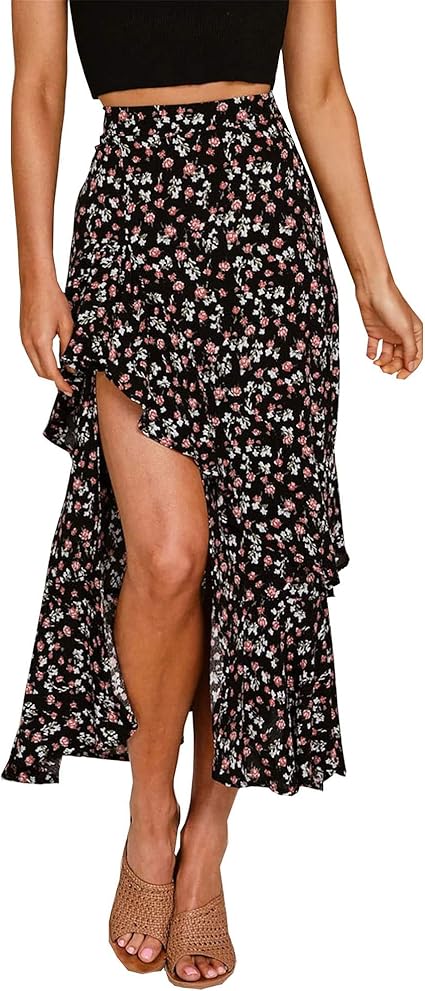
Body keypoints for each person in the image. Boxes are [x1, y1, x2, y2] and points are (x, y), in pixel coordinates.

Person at [2, 1, 422, 987]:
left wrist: (372, 275)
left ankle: (206, 842)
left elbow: (318, 89)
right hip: (132, 224)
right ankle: (149, 814)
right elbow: (38, 85)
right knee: (167, 555)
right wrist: (34, 272)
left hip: (265, 231)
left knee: (248, 564)